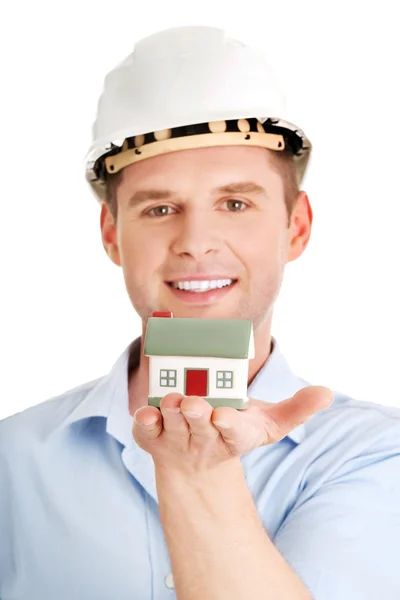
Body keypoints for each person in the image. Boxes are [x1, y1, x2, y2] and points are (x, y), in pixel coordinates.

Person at [1, 25, 399, 600]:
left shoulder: (373, 455)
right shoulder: (13, 461)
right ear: (113, 235)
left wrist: (199, 473)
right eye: (160, 208)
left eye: (235, 203)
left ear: (297, 226)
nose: (196, 241)